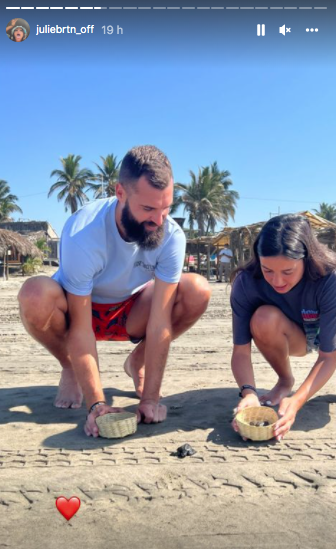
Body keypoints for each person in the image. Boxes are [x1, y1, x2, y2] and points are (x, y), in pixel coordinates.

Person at [18, 145, 211, 437]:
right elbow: (81, 328)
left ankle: (137, 360)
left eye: (166, 207)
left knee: (197, 289)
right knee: (34, 294)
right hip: (77, 310)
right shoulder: (84, 232)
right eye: (147, 208)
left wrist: (150, 399)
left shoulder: (170, 235)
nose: (159, 220)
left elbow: (160, 322)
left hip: (130, 310)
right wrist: (97, 404)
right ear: (120, 193)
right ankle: (69, 365)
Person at [230, 214, 336, 441]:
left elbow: (328, 355)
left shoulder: (330, 278)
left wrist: (297, 400)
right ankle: (285, 381)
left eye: (288, 272)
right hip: (297, 335)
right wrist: (248, 392)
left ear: (306, 259)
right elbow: (240, 351)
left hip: (328, 328)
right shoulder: (246, 283)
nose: (277, 281)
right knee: (263, 318)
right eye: (268, 270)